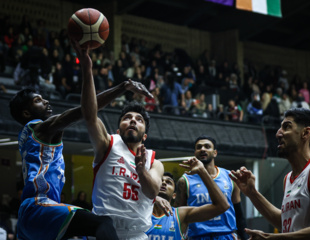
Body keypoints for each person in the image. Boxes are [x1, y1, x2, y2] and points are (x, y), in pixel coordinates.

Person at [8, 40, 146, 240]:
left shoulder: (31, 135)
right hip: (39, 206)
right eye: (38, 100)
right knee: (103, 223)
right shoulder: (40, 127)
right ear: (27, 112)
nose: (46, 101)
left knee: (83, 235)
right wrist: (123, 87)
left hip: (31, 215)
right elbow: (87, 110)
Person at [80, 40, 164, 239]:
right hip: (103, 230)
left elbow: (152, 192)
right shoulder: (107, 144)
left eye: (139, 119)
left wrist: (141, 169)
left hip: (137, 234)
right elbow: (89, 114)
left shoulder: (154, 162)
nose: (133, 121)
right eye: (127, 118)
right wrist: (87, 66)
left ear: (145, 135)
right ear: (119, 129)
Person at [230, 108, 310, 239]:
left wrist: (270, 238)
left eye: (286, 127)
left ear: (305, 133)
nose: (278, 134)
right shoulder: (288, 178)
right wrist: (252, 193)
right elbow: (286, 223)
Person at [174, 135, 248, 240]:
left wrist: (244, 237)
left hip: (226, 234)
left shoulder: (230, 177)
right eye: (199, 147)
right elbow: (178, 216)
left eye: (207, 146)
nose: (202, 149)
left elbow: (239, 213)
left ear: (215, 153)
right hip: (197, 236)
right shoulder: (185, 180)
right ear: (195, 153)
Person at [146, 158, 230, 240]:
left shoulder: (180, 214)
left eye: (169, 182)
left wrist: (202, 172)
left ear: (174, 195)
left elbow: (222, 206)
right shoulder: (140, 210)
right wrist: (154, 198)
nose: (164, 183)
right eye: (160, 181)